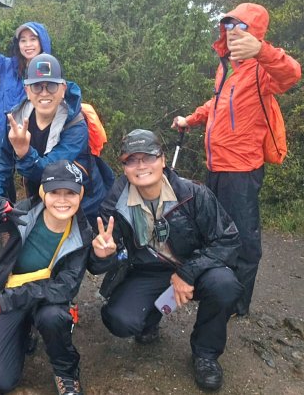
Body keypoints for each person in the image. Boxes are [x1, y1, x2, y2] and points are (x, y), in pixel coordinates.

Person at [172, 3, 301, 316]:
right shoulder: (226, 67)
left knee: (243, 239)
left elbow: (291, 74)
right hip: (216, 166)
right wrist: (191, 119)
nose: (232, 33)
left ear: (254, 33)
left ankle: (236, 303)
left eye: (240, 27)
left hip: (242, 169)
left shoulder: (262, 70)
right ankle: (216, 287)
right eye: (228, 26)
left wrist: (262, 51)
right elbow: (216, 105)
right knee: (215, 232)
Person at [92, 129, 243, 391]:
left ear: (162, 159)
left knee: (225, 284)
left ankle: (206, 354)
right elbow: (99, 260)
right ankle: (149, 321)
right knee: (118, 319)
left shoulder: (193, 194)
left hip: (195, 267)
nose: (141, 166)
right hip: (147, 271)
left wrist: (187, 273)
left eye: (148, 157)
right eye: (132, 160)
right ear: (124, 166)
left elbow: (228, 239)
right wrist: (100, 254)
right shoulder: (115, 203)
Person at [0, 160, 116, 395]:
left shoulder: (83, 235)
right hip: (9, 292)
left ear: (80, 195)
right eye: (55, 192)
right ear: (43, 193)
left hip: (39, 300)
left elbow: (63, 289)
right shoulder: (22, 213)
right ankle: (23, 330)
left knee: (54, 316)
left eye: (70, 193)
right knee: (0, 381)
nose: (62, 200)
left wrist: (103, 256)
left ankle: (66, 373)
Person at [0, 53, 109, 227]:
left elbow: (50, 172)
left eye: (51, 86)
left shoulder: (75, 125)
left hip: (85, 204)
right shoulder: (16, 120)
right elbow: (3, 162)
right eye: (37, 86)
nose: (44, 93)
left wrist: (24, 152)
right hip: (45, 199)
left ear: (63, 88)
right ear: (27, 90)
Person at [0, 6, 52, 144]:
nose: (28, 45)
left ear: (42, 42)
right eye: (23, 40)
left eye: (33, 39)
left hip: (28, 147)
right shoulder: (7, 66)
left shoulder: (50, 75)